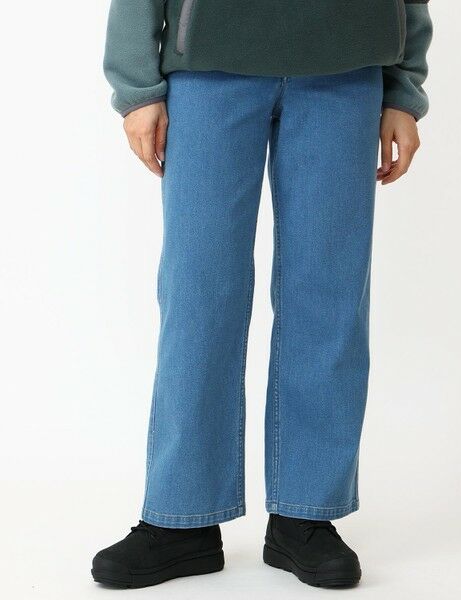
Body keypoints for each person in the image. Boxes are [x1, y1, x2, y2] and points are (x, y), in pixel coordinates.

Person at [92, 0, 432, 589]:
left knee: (328, 297)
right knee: (199, 297)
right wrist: (137, 85)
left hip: (347, 69)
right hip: (208, 67)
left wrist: (402, 89)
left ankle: (306, 514)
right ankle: (183, 519)